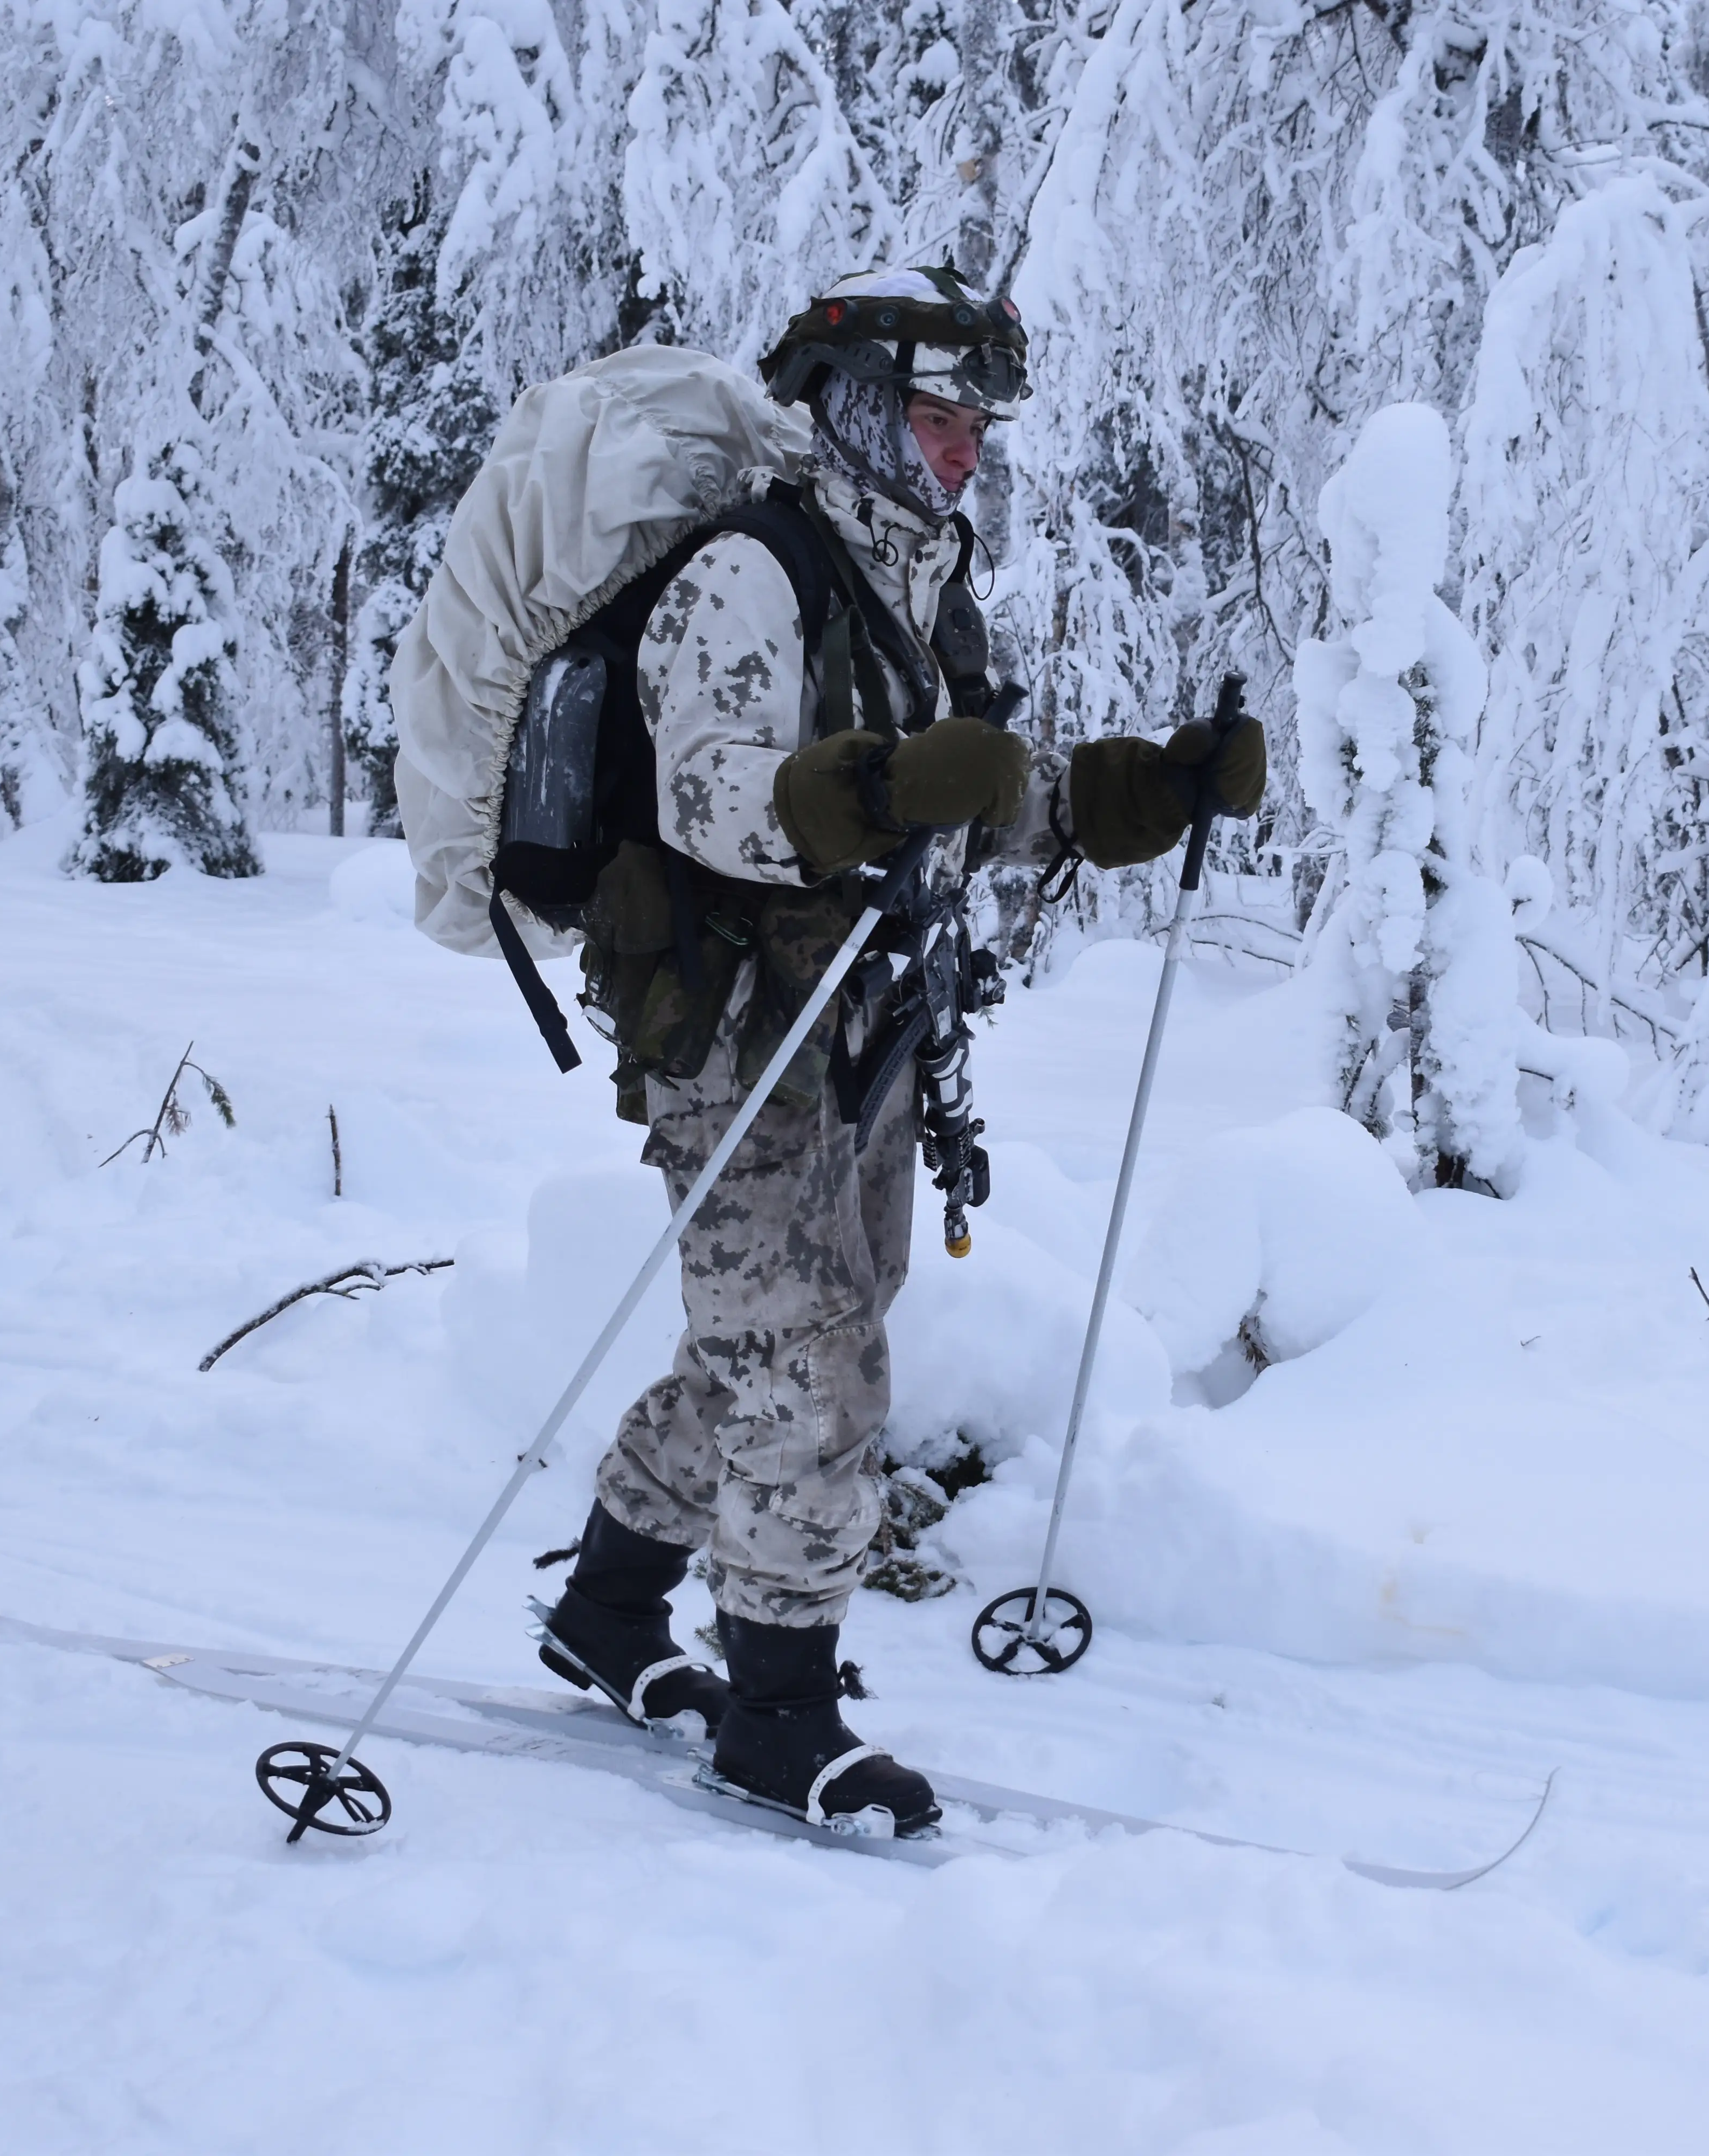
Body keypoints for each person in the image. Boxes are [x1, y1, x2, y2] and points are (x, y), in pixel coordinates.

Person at [531, 265, 1266, 1836]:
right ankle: (778, 1711)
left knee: (779, 1339)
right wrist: (889, 786)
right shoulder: (754, 571)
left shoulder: (924, 587)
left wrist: (1152, 791)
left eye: (975, 429)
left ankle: (604, 1612)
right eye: (936, 418)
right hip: (733, 1030)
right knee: (810, 1360)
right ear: (860, 409)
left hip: (860, 1026)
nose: (960, 454)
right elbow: (709, 797)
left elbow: (996, 799)